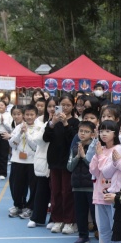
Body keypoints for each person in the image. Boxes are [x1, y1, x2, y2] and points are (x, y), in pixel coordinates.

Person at [43, 94, 79, 234]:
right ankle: (57, 219)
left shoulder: (75, 122)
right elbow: (46, 138)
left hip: (67, 162)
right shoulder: (53, 121)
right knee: (55, 192)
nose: (65, 108)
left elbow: (73, 139)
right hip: (54, 161)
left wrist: (65, 124)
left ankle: (69, 221)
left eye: (68, 105)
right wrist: (52, 123)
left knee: (67, 192)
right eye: (62, 105)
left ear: (73, 106)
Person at [91, 120, 121, 243]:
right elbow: (93, 170)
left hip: (112, 194)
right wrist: (97, 155)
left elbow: (107, 170)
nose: (103, 134)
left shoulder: (118, 149)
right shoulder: (101, 149)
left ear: (115, 134)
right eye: (101, 131)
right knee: (103, 228)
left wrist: (100, 156)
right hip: (99, 193)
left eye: (108, 131)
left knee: (113, 227)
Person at [67, 121, 96, 243]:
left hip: (91, 187)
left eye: (86, 131)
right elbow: (69, 167)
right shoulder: (75, 147)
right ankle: (83, 236)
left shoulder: (95, 147)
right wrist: (78, 157)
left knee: (95, 214)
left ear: (92, 134)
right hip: (77, 186)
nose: (83, 134)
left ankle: (101, 235)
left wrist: (84, 157)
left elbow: (95, 167)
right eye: (81, 131)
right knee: (80, 213)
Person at [8, 106, 40, 219]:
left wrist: (26, 133)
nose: (29, 117)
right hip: (17, 160)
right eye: (27, 114)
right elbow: (12, 144)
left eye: (32, 115)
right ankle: (18, 205)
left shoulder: (39, 128)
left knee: (33, 186)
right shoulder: (18, 127)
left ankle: (30, 207)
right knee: (16, 185)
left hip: (32, 162)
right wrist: (19, 133)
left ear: (36, 116)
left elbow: (35, 146)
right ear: (23, 115)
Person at [27, 97, 54, 228]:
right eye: (50, 106)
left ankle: (54, 219)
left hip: (58, 161)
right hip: (44, 161)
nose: (52, 109)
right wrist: (49, 125)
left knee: (56, 192)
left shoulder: (67, 122)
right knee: (41, 190)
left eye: (55, 106)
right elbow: (38, 140)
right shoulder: (41, 122)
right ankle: (37, 217)